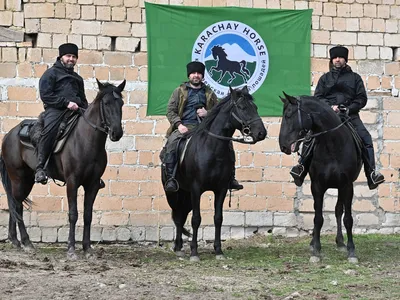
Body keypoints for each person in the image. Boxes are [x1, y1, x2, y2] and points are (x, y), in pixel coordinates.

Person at [290, 45, 385, 190]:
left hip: (349, 116)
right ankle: (301, 167)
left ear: (345, 59)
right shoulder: (325, 79)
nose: (337, 60)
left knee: (366, 138)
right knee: (309, 137)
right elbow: (318, 98)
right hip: (327, 117)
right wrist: (329, 107)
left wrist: (348, 108)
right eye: (335, 57)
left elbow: (361, 98)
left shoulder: (355, 78)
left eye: (340, 57)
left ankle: (371, 174)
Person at [162, 61, 243, 192]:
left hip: (205, 128)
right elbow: (170, 111)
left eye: (199, 73)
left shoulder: (210, 93)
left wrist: (207, 113)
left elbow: (220, 112)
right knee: (172, 143)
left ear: (202, 76)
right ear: (189, 75)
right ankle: (171, 178)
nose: (196, 75)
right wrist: (179, 124)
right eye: (193, 73)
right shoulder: (179, 91)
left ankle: (231, 178)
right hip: (185, 126)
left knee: (227, 144)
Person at [35, 43, 105, 188]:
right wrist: (66, 103)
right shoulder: (51, 74)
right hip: (56, 111)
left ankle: (93, 174)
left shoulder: (77, 78)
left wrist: (86, 110)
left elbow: (83, 98)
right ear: (61, 57)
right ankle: (40, 168)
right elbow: (46, 95)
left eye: (74, 57)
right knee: (49, 131)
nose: (71, 59)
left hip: (77, 110)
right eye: (68, 56)